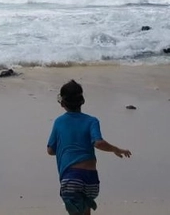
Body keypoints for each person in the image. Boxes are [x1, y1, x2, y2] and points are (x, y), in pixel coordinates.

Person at [47, 80, 131, 215]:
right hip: (91, 180)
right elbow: (98, 143)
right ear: (82, 101)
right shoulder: (92, 121)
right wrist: (116, 149)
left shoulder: (59, 122)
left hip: (71, 178)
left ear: (62, 103)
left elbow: (50, 150)